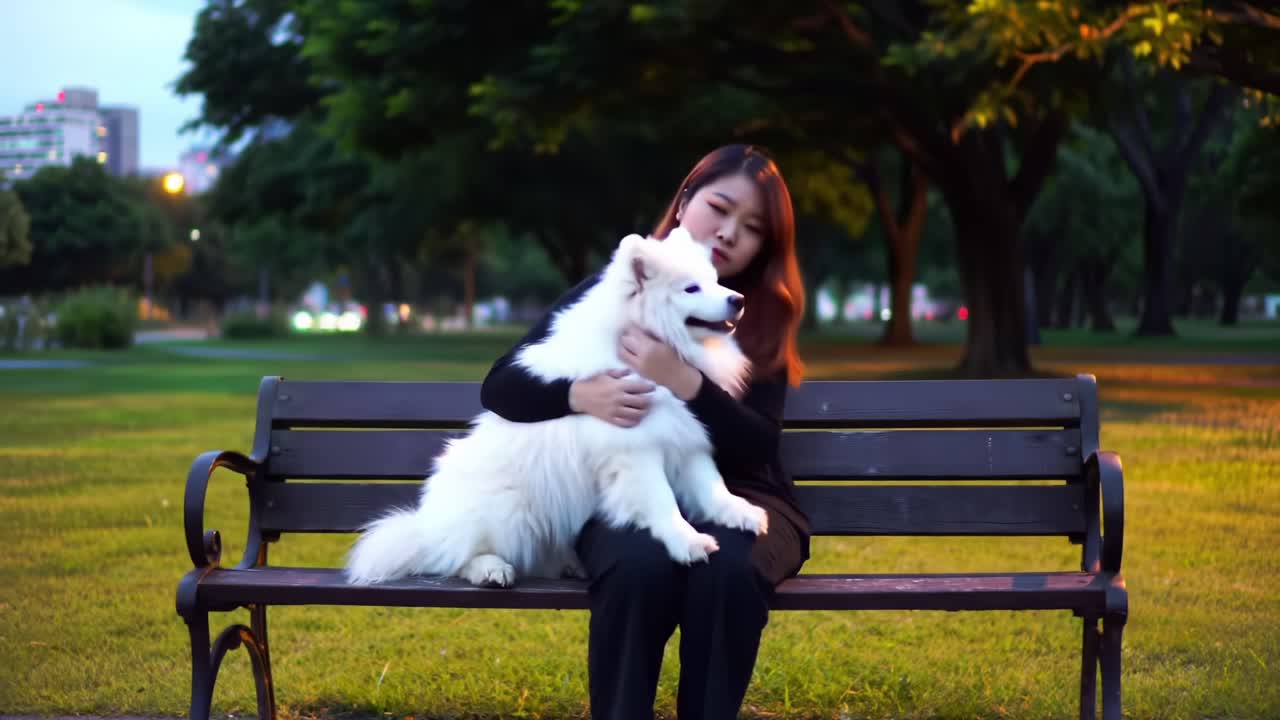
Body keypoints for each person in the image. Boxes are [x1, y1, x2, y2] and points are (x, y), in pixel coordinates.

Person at [479, 144, 810, 720]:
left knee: (727, 572)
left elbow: (757, 445)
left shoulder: (762, 314)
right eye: (720, 208)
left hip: (747, 496)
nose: (729, 233)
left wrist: (684, 381)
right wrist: (576, 394)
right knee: (639, 566)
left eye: (752, 228)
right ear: (685, 203)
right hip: (629, 493)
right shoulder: (614, 291)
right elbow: (500, 385)